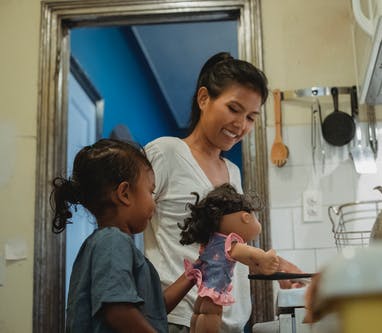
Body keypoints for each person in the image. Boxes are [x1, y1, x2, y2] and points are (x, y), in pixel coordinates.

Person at [144, 51, 303, 333]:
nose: (241, 125)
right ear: (204, 98)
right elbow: (127, 220)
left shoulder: (232, 171)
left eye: (251, 117)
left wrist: (277, 266)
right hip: (181, 320)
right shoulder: (165, 152)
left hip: (230, 322)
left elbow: (226, 248)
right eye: (233, 109)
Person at [51, 139, 194, 333]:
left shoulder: (108, 244)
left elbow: (153, 310)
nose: (154, 202)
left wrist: (194, 272)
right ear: (124, 193)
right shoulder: (112, 242)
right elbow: (118, 311)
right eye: (151, 191)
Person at [179, 183, 280, 333]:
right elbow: (251, 254)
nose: (257, 223)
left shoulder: (212, 240)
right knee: (211, 318)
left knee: (198, 316)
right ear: (245, 217)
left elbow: (246, 260)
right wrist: (265, 257)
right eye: (255, 218)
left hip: (203, 294)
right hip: (214, 294)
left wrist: (257, 264)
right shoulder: (230, 243)